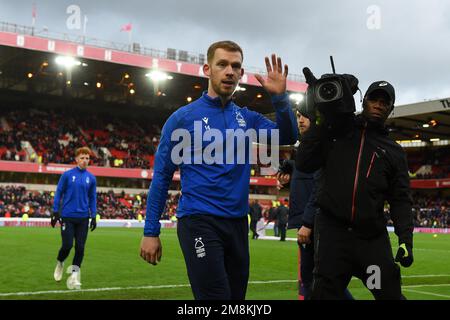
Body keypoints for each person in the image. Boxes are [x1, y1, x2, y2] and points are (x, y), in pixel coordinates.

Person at [140, 40, 298, 300]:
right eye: (222, 64)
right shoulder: (182, 119)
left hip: (236, 225)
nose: (229, 71)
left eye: (235, 66)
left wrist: (280, 98)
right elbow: (161, 177)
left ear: (241, 74)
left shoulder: (246, 118)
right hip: (199, 222)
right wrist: (150, 231)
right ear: (207, 69)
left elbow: (287, 135)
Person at [297, 70, 414, 300]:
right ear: (363, 100)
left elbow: (401, 199)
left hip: (370, 240)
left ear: (391, 109)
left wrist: (405, 240)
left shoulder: (394, 152)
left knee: (389, 295)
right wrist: (322, 117)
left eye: (384, 102)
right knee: (323, 296)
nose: (378, 105)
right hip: (333, 236)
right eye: (374, 99)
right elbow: (304, 162)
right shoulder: (336, 131)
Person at [278, 107, 353, 300]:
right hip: (310, 222)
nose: (300, 120)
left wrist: (308, 222)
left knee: (318, 281)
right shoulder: (308, 145)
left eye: (305, 116)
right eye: (298, 116)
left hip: (315, 224)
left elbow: (320, 186)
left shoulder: (320, 144)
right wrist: (291, 169)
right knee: (316, 281)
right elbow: (309, 175)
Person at [51, 147, 97, 290]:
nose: (85, 161)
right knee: (67, 245)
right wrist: (55, 212)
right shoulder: (67, 175)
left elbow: (92, 198)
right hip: (67, 216)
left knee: (80, 248)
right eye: (82, 158)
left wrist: (94, 215)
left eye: (87, 158)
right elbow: (59, 192)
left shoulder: (91, 178)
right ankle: (60, 263)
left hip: (83, 218)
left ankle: (74, 275)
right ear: (76, 159)